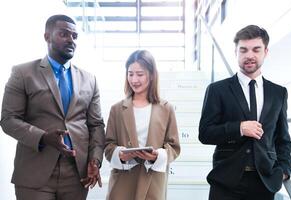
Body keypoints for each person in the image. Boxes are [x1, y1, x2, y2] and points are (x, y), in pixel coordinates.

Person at [0, 14, 105, 200]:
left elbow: (96, 125)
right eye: (64, 34)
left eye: (74, 36)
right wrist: (43, 137)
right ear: (47, 36)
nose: (71, 40)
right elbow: (8, 119)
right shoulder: (22, 73)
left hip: (76, 174)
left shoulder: (90, 79)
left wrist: (95, 159)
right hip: (34, 172)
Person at [198, 25, 291, 200]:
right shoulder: (217, 89)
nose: (249, 55)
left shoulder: (278, 93)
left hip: (264, 182)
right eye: (243, 50)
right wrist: (239, 128)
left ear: (265, 51)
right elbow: (205, 133)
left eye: (256, 49)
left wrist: (284, 171)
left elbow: (283, 139)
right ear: (236, 52)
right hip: (225, 181)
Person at [104, 50, 181, 200]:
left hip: (152, 181)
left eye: (140, 74)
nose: (134, 80)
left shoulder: (166, 108)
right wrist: (120, 154)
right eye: (130, 74)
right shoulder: (117, 109)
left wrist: (157, 155)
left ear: (152, 75)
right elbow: (108, 146)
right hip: (122, 183)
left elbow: (174, 147)